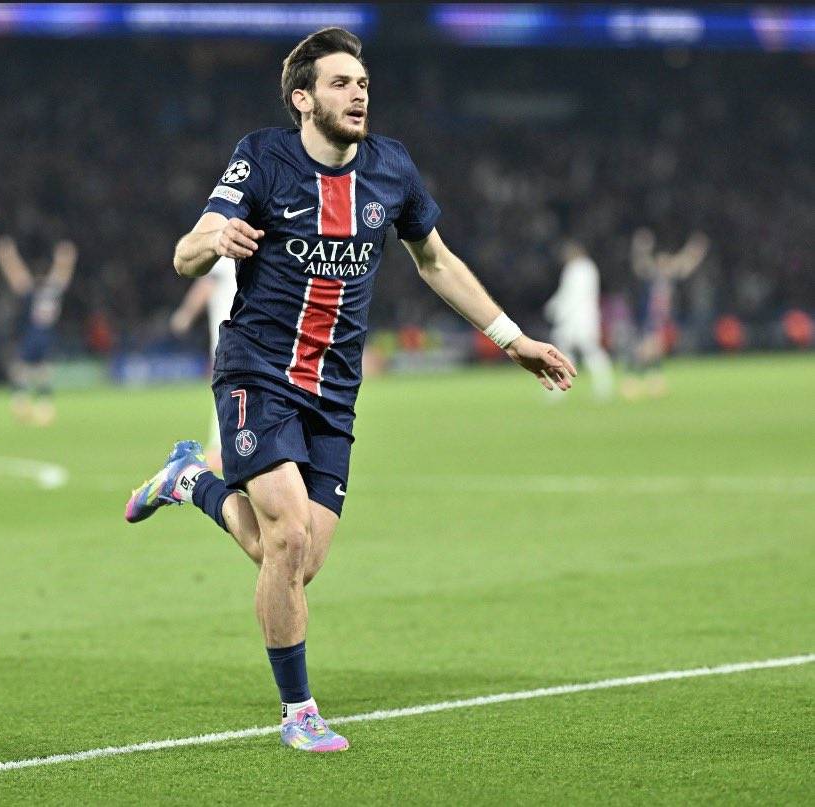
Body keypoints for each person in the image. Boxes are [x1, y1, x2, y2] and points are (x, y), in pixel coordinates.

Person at [124, 28, 576, 753]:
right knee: (286, 534)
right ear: (303, 99)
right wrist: (215, 241)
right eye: (339, 83)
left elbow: (435, 260)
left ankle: (190, 480)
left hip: (334, 391)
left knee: (297, 561)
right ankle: (298, 711)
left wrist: (511, 338)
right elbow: (185, 253)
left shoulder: (391, 168)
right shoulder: (261, 158)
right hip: (257, 372)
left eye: (362, 82)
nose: (358, 93)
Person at [0, 236, 78, 425]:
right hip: (46, 335)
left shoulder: (34, 292)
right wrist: (66, 258)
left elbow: (16, 275)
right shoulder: (53, 290)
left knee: (24, 370)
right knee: (42, 371)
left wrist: (7, 255)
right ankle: (42, 406)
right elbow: (62, 274)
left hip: (33, 334)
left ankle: (22, 403)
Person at [622, 228, 709, 400]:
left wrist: (695, 249)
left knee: (654, 350)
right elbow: (640, 264)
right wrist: (640, 248)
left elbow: (685, 263)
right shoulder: (652, 275)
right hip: (649, 317)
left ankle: (653, 382)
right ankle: (632, 382)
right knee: (645, 350)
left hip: (661, 319)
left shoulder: (668, 277)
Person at [169, 256, 238, 471]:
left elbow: (206, 285)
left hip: (228, 336)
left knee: (224, 390)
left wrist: (186, 314)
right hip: (249, 336)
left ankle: (221, 447)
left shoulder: (225, 253)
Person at [543, 238, 615, 400]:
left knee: (588, 351)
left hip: (579, 319)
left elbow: (571, 295)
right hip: (581, 319)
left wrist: (556, 310)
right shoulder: (588, 268)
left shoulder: (578, 269)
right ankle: (561, 388)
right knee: (566, 353)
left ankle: (603, 385)